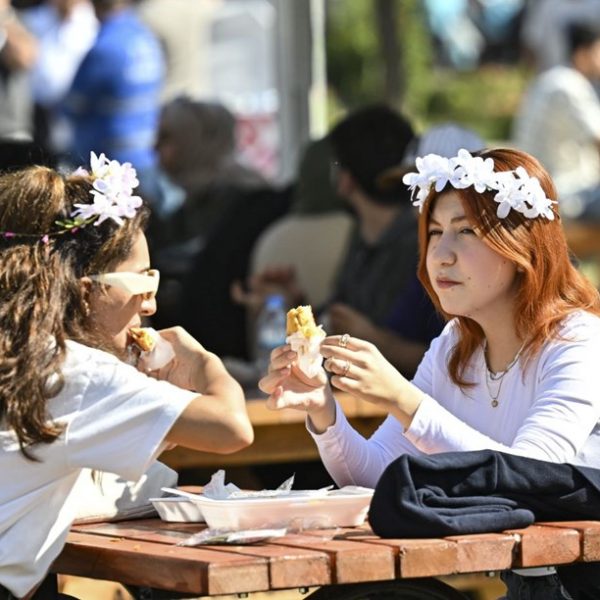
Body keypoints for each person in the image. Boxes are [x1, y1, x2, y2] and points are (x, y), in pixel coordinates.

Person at [260, 147, 600, 599]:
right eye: (435, 232)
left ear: (522, 244)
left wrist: (404, 400)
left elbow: (531, 478)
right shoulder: (456, 343)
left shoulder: (577, 340)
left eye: (466, 232)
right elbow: (374, 476)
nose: (440, 255)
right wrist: (323, 411)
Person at [0, 152, 253, 599]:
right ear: (85, 292)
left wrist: (147, 417)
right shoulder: (72, 369)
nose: (151, 307)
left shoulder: (20, 354)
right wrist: (203, 363)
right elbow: (232, 428)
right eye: (143, 285)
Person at [62, 0, 164, 204]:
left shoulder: (105, 47)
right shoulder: (146, 36)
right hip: (146, 156)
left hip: (109, 168)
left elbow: (73, 105)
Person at [513, 22, 600, 220]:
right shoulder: (569, 85)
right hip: (561, 192)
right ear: (583, 53)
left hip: (538, 188)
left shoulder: (551, 79)